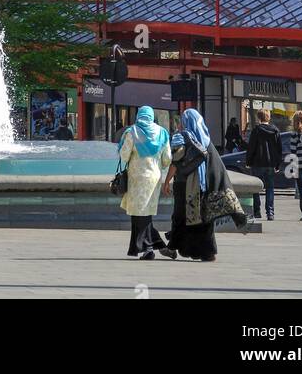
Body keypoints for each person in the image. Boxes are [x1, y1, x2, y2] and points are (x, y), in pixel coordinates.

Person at [163, 108, 236, 261]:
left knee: (180, 216)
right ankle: (206, 252)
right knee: (203, 219)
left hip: (185, 185)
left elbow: (175, 162)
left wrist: (167, 181)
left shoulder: (182, 137)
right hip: (203, 186)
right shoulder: (206, 139)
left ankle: (176, 246)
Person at [118, 105, 175, 260]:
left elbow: (124, 155)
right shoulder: (162, 133)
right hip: (154, 178)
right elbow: (167, 159)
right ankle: (155, 246)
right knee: (144, 213)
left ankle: (148, 247)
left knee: (139, 213)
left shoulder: (132, 132)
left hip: (137, 178)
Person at [244, 108, 282, 221]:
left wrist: (248, 161)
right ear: (268, 117)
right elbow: (279, 149)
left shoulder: (256, 130)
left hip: (257, 163)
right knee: (270, 188)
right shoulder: (275, 131)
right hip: (270, 164)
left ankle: (257, 212)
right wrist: (277, 164)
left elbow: (251, 147)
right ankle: (270, 213)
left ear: (258, 117)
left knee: (256, 188)